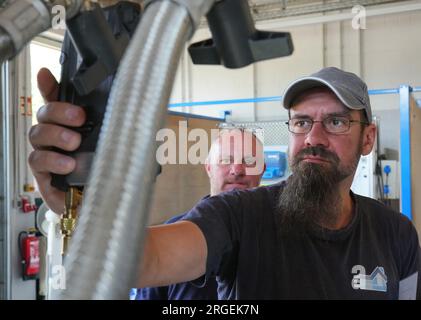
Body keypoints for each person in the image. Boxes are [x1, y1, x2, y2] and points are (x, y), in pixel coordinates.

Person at [29, 67, 421, 299]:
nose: (314, 137)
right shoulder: (240, 217)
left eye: (336, 122)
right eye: (302, 122)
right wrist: (84, 202)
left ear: (368, 137)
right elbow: (141, 261)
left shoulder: (397, 235)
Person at [136, 127, 265, 300]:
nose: (237, 170)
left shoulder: (283, 237)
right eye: (225, 160)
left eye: (249, 160)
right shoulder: (174, 234)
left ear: (262, 169)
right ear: (209, 167)